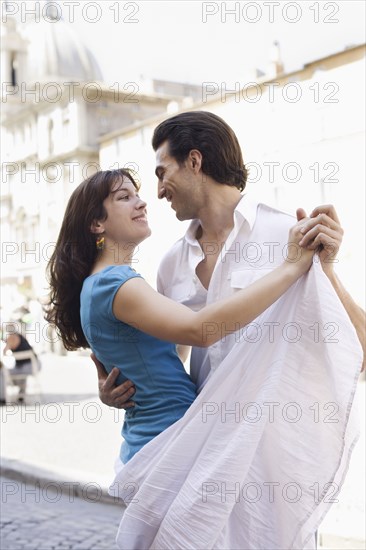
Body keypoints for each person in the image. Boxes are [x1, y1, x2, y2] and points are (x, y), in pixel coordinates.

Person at [92, 112, 364, 549]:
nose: (157, 190)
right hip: (202, 468)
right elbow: (171, 359)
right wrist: (119, 388)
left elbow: (360, 353)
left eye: (163, 172)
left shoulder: (285, 233)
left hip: (271, 475)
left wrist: (326, 270)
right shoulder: (170, 264)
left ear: (195, 161)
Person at [46, 167, 313, 464]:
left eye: (137, 195)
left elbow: (171, 354)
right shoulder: (114, 284)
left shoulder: (100, 284)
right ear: (97, 223)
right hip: (167, 443)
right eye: (124, 197)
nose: (142, 202)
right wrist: (291, 267)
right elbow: (201, 331)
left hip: (156, 439)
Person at [2, 326, 41, 401]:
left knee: (5, 373)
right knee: (18, 370)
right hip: (35, 365)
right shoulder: (21, 336)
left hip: (28, 367)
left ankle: (4, 397)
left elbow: (4, 352)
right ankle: (21, 393)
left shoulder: (11, 338)